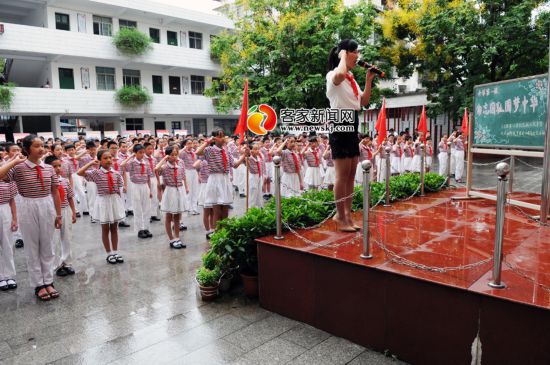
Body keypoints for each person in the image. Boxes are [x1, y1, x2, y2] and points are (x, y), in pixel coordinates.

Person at [0, 135, 62, 301]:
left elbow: (55, 192)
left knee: (48, 246)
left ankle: (48, 281)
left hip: (47, 205)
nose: (41, 149)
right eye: (36, 146)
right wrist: (14, 161)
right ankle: (38, 284)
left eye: (42, 145)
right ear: (27, 149)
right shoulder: (19, 168)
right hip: (28, 206)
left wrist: (59, 214)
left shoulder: (49, 168)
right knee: (32, 247)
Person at [326, 39, 375, 232]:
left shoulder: (351, 78)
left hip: (352, 122)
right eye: (355, 52)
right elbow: (339, 73)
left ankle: (347, 214)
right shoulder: (334, 75)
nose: (359, 56)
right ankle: (339, 215)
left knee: (351, 174)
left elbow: (362, 101)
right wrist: (343, 57)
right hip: (339, 123)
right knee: (342, 174)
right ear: (345, 54)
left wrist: (368, 80)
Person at [78, 150, 126, 264]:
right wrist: (91, 164)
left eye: (110, 157)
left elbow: (119, 188)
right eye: (105, 158)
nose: (108, 160)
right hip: (103, 201)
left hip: (114, 200)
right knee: (105, 229)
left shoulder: (116, 173)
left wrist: (120, 204)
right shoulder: (96, 173)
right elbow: (80, 173)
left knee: (114, 228)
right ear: (99, 160)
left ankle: (115, 252)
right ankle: (109, 253)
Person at [196, 129, 246, 230]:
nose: (223, 138)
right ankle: (216, 235)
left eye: (223, 136)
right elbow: (198, 152)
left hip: (225, 179)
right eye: (220, 136)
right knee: (217, 211)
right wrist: (208, 141)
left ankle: (224, 234)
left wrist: (244, 155)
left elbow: (235, 165)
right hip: (215, 179)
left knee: (225, 211)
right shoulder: (210, 150)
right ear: (214, 139)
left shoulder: (226, 149)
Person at [45, 155, 77, 277]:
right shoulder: (47, 181)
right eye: (54, 166)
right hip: (53, 212)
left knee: (67, 237)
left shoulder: (65, 180)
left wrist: (73, 211)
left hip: (65, 210)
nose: (58, 168)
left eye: (59, 166)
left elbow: (70, 197)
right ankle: (57, 265)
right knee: (55, 239)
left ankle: (67, 262)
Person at [155, 146, 189, 249]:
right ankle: (171, 239)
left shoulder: (179, 166)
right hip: (170, 191)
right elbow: (156, 169)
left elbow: (183, 178)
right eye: (172, 155)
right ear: (168, 156)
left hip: (179, 191)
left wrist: (185, 188)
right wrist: (164, 159)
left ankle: (177, 238)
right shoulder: (165, 167)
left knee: (177, 217)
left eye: (176, 154)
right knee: (169, 216)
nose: (174, 157)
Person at [122, 144, 153, 239]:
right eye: (140, 153)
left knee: (147, 208)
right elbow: (122, 165)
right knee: (137, 208)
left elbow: (148, 177)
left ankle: (146, 228)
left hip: (145, 186)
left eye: (143, 152)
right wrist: (131, 156)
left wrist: (150, 189)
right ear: (135, 153)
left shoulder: (146, 162)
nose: (142, 154)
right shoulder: (131, 162)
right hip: (135, 186)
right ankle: (140, 229)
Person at [0, 175, 18, 291]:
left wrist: (15, 219)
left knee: (8, 244)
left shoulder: (7, 179)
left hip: (5, 210)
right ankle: (1, 276)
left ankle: (9, 275)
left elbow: (12, 200)